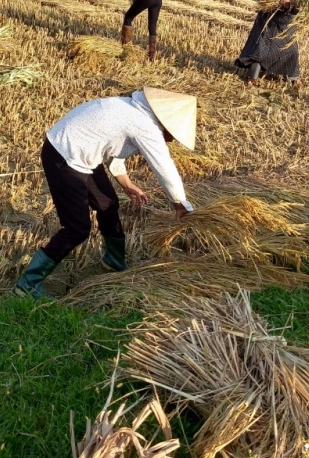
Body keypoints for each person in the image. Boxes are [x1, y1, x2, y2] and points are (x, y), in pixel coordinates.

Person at [15, 87, 197, 300]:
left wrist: (127, 184)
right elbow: (163, 165)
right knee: (77, 228)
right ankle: (28, 283)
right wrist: (180, 202)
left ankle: (114, 260)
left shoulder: (130, 109)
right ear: (165, 123)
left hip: (81, 153)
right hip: (64, 155)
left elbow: (111, 145)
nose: (170, 140)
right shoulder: (144, 124)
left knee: (108, 204)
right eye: (171, 134)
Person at [234, 0, 309, 84]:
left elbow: (297, 8)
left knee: (291, 51)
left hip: (285, 25)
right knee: (260, 49)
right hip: (266, 22)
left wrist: (287, 5)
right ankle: (252, 77)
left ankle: (293, 78)